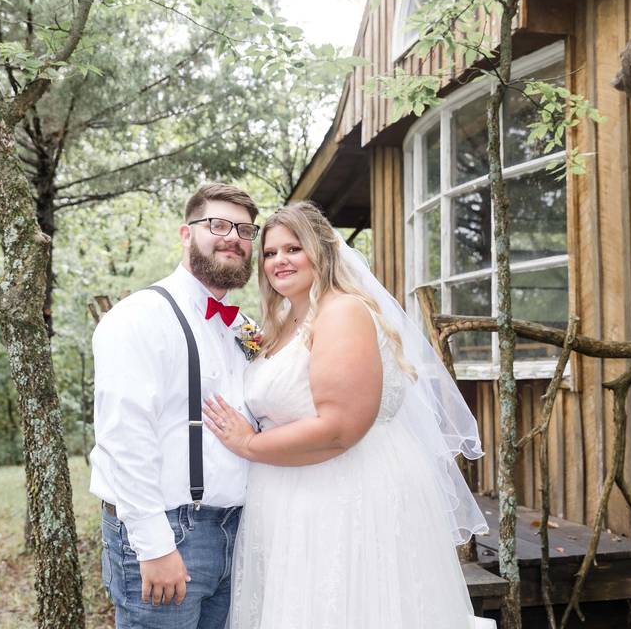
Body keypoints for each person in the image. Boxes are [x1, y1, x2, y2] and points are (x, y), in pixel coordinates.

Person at [203, 201, 490, 629]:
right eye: (269, 252)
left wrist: (247, 443)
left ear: (322, 251)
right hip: (288, 498)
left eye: (293, 249)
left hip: (341, 494)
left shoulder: (343, 312)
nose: (279, 260)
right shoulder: (283, 323)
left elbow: (340, 430)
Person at [89, 183, 262, 629]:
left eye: (245, 230)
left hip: (236, 533)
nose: (233, 238)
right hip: (170, 532)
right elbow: (123, 436)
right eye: (218, 225)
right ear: (186, 234)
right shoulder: (138, 317)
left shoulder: (243, 327)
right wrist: (154, 546)